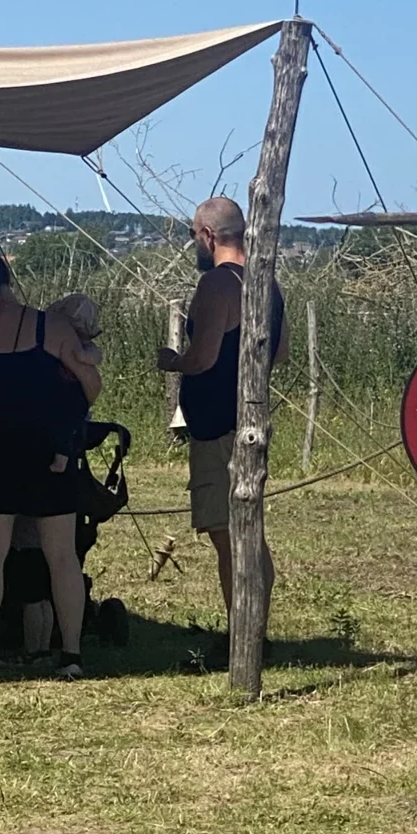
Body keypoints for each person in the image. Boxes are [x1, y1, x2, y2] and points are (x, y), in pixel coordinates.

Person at [0, 249, 101, 681]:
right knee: (63, 557)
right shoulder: (48, 326)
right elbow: (90, 383)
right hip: (47, 455)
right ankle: (70, 654)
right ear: (6, 277)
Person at [156, 197, 286, 656]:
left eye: (194, 234)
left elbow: (204, 357)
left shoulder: (216, 284)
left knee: (228, 535)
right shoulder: (268, 283)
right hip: (249, 419)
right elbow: (281, 352)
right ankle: (253, 629)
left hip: (218, 429)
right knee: (244, 530)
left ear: (208, 235)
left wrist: (173, 361)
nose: (195, 243)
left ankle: (244, 637)